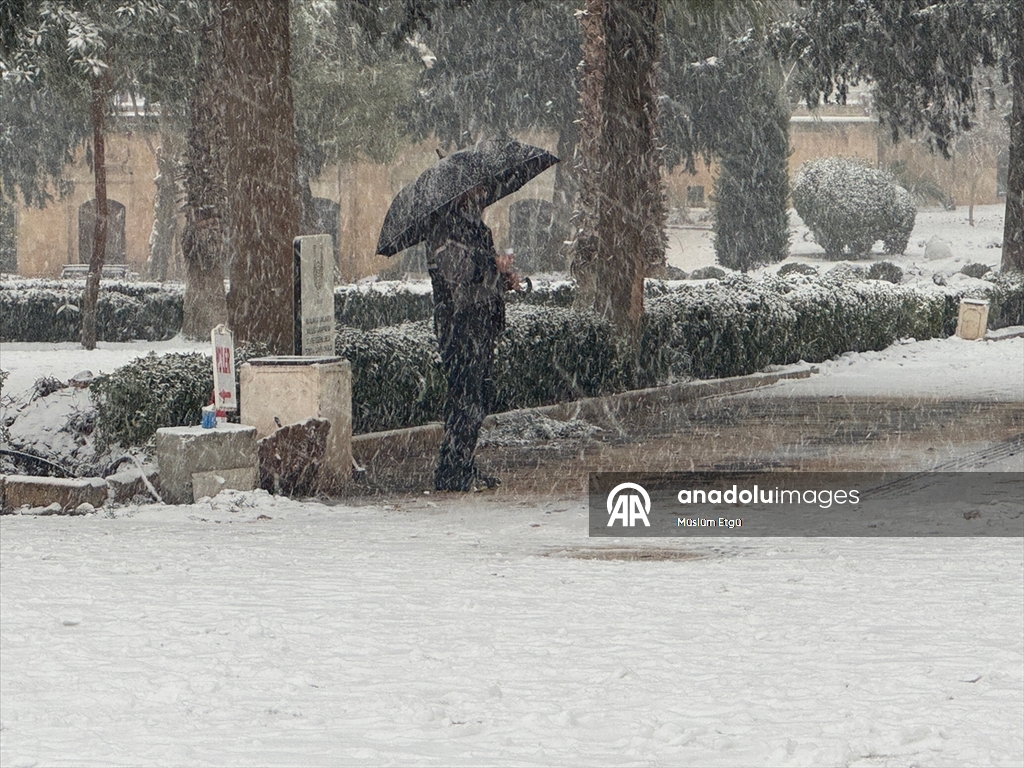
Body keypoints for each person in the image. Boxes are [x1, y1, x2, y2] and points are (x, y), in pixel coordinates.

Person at [427, 185, 520, 492]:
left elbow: (480, 275)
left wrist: (503, 279)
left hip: (483, 323)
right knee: (464, 396)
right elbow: (457, 270)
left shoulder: (479, 228)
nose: (482, 194)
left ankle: (463, 463)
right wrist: (491, 263)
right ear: (461, 192)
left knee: (479, 397)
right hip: (460, 324)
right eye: (476, 188)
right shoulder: (443, 230)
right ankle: (451, 469)